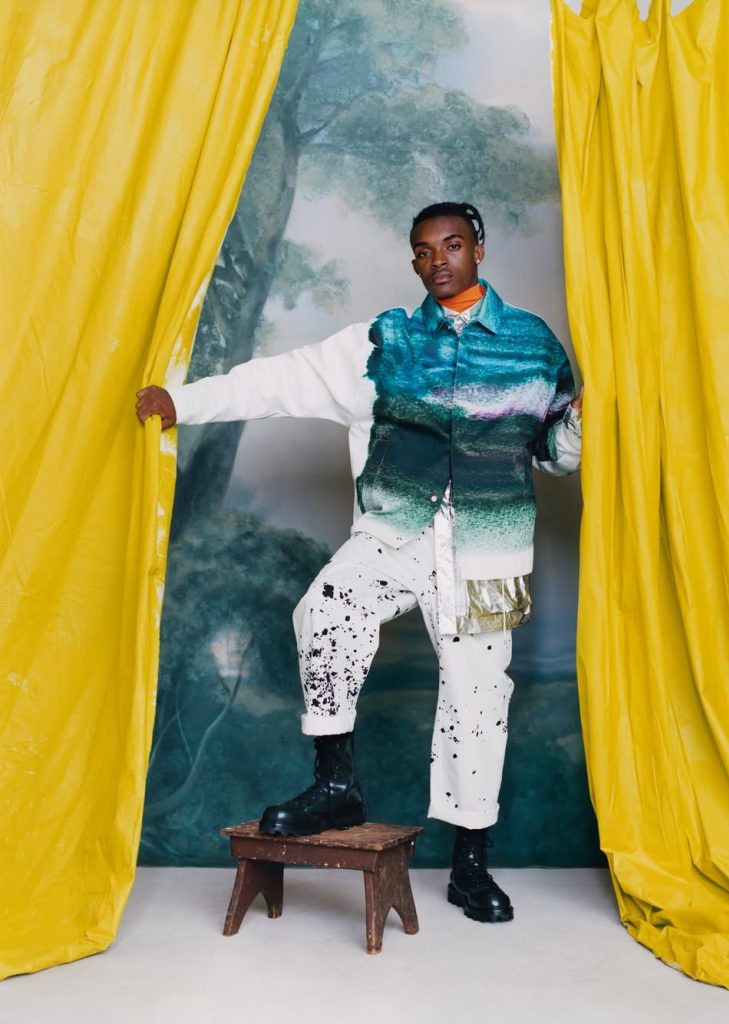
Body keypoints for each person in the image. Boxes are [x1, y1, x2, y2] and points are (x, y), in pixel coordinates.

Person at [136, 201, 582, 924]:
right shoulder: (384, 341)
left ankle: (470, 864)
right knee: (326, 608)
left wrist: (579, 422)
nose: (437, 260)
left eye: (452, 245)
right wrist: (182, 403)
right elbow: (278, 381)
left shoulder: (533, 344)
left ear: (478, 249)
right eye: (423, 250)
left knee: (477, 698)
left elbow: (555, 453)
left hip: (484, 551)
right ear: (413, 261)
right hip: (395, 532)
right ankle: (335, 784)